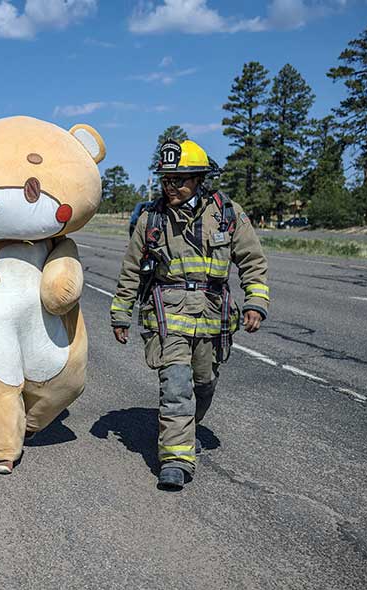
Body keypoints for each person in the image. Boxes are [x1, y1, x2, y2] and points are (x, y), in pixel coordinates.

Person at [110, 139, 269, 491]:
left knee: (203, 384)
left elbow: (253, 262)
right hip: (168, 317)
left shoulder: (227, 214)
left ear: (199, 179)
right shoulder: (151, 219)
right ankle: (176, 459)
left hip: (213, 318)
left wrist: (256, 302)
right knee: (176, 385)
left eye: (178, 180)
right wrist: (120, 313)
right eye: (165, 180)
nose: (169, 188)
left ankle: (186, 426)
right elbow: (131, 270)